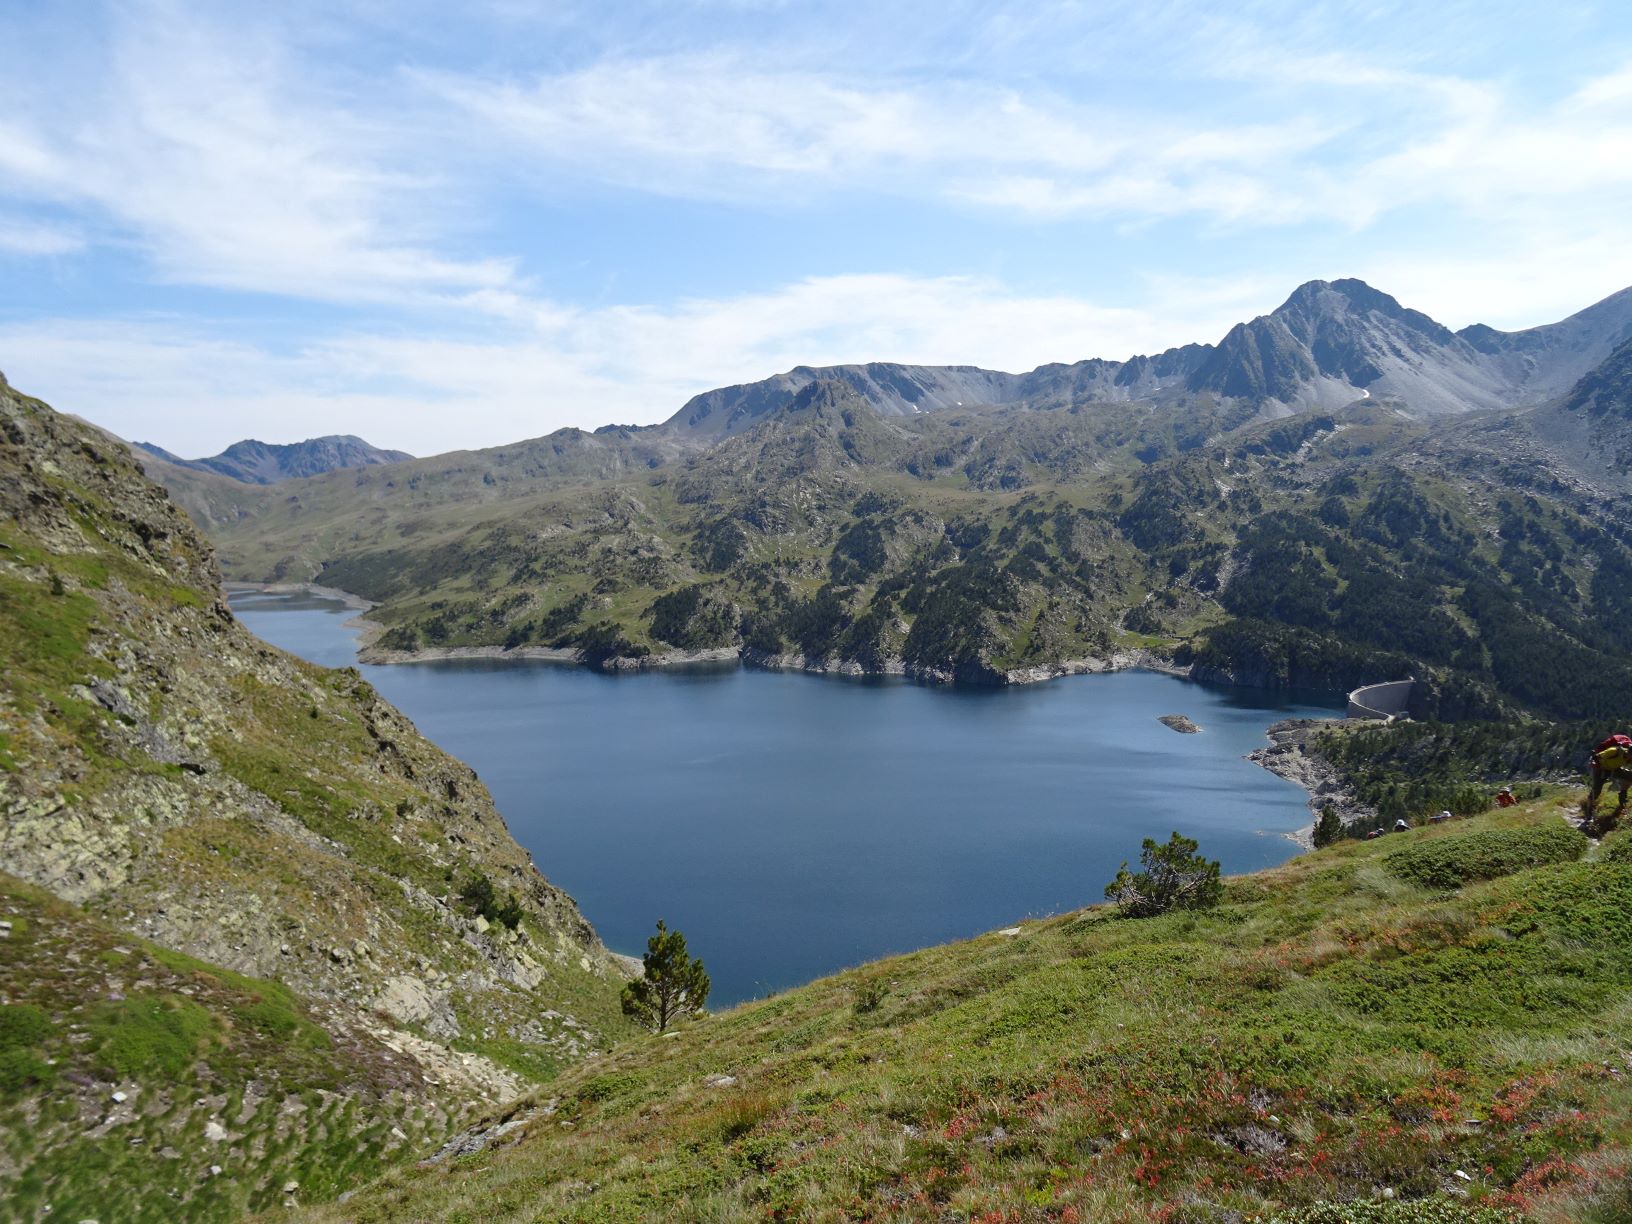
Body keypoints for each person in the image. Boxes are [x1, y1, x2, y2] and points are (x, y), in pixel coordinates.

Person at [1585, 734, 1632, 832]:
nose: (1629, 759)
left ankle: (1622, 796)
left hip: (1614, 768)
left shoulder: (1629, 757)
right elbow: (1597, 757)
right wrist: (1594, 764)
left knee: (1630, 776)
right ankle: (1589, 812)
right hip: (1600, 768)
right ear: (1628, 752)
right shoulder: (1614, 751)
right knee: (1596, 790)